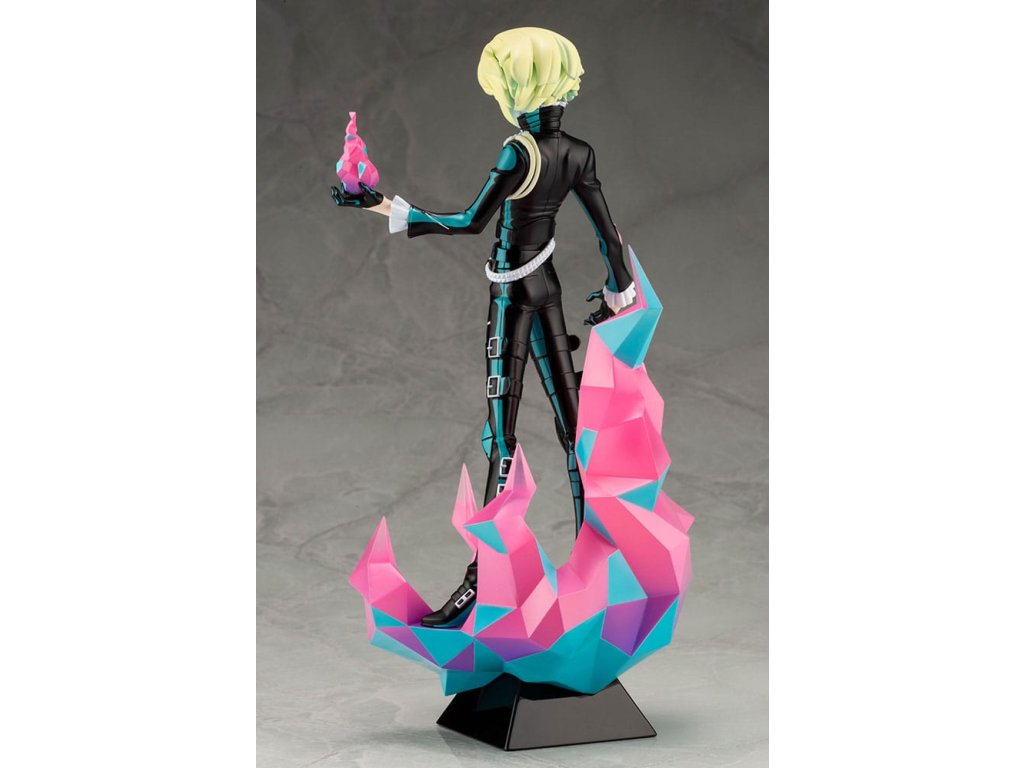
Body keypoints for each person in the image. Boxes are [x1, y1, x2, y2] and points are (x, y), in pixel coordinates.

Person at [332, 27, 635, 628]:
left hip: (513, 294)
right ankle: (598, 576)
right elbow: (608, 233)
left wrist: (386, 208)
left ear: (517, 88)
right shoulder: (578, 153)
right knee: (575, 430)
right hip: (545, 287)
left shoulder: (519, 152)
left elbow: (472, 221)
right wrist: (619, 290)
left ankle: (485, 579)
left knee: (502, 438)